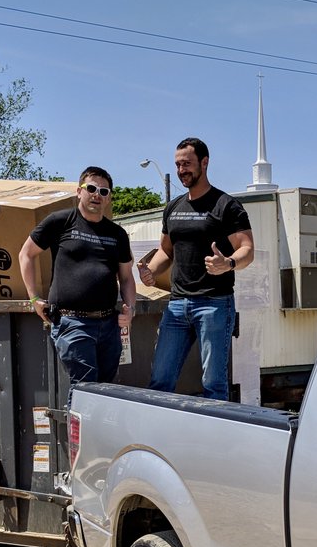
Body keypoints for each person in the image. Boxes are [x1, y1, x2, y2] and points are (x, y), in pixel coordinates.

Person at [139, 138, 253, 400]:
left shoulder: (226, 205)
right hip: (177, 305)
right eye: (178, 165)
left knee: (213, 384)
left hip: (214, 304)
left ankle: (215, 438)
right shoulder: (174, 208)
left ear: (204, 162)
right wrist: (151, 272)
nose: (182, 170)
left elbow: (247, 249)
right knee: (160, 379)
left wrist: (228, 263)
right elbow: (165, 251)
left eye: (187, 164)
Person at [20, 166, 136, 398]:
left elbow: (126, 277)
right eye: (91, 188)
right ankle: (78, 436)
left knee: (107, 391)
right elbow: (26, 254)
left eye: (104, 191)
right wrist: (33, 298)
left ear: (109, 197)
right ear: (79, 191)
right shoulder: (60, 221)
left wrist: (130, 309)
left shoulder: (117, 234)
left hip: (109, 325)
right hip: (73, 323)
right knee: (86, 388)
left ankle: (97, 435)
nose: (97, 195)